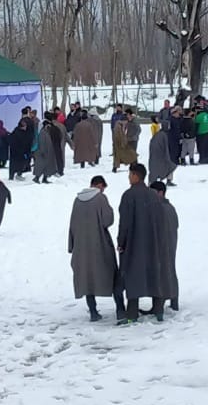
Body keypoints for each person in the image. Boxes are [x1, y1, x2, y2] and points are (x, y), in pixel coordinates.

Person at [117, 164, 167, 324]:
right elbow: (161, 220)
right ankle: (158, 309)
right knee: (154, 275)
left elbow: (124, 222)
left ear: (136, 176)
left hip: (134, 243)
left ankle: (132, 313)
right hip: (153, 243)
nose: (129, 177)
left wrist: (121, 241)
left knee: (133, 277)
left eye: (130, 174)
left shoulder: (128, 196)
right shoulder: (154, 196)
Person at [69, 176, 122, 322]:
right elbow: (108, 221)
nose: (103, 190)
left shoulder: (77, 200)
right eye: (103, 187)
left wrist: (72, 245)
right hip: (100, 244)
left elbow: (72, 223)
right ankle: (120, 309)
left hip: (81, 247)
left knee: (87, 278)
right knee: (111, 274)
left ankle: (93, 311)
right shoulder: (100, 199)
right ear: (99, 185)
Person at [150, 180, 180, 311]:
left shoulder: (158, 208)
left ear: (160, 193)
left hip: (162, 245)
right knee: (170, 270)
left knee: (162, 273)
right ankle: (174, 300)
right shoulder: (170, 207)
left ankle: (159, 304)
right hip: (171, 243)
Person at [33, 119, 59, 184]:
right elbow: (41, 143)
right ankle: (37, 178)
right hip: (43, 152)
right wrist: (43, 151)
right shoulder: (42, 133)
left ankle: (45, 178)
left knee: (47, 166)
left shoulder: (46, 132)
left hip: (48, 152)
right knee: (41, 166)